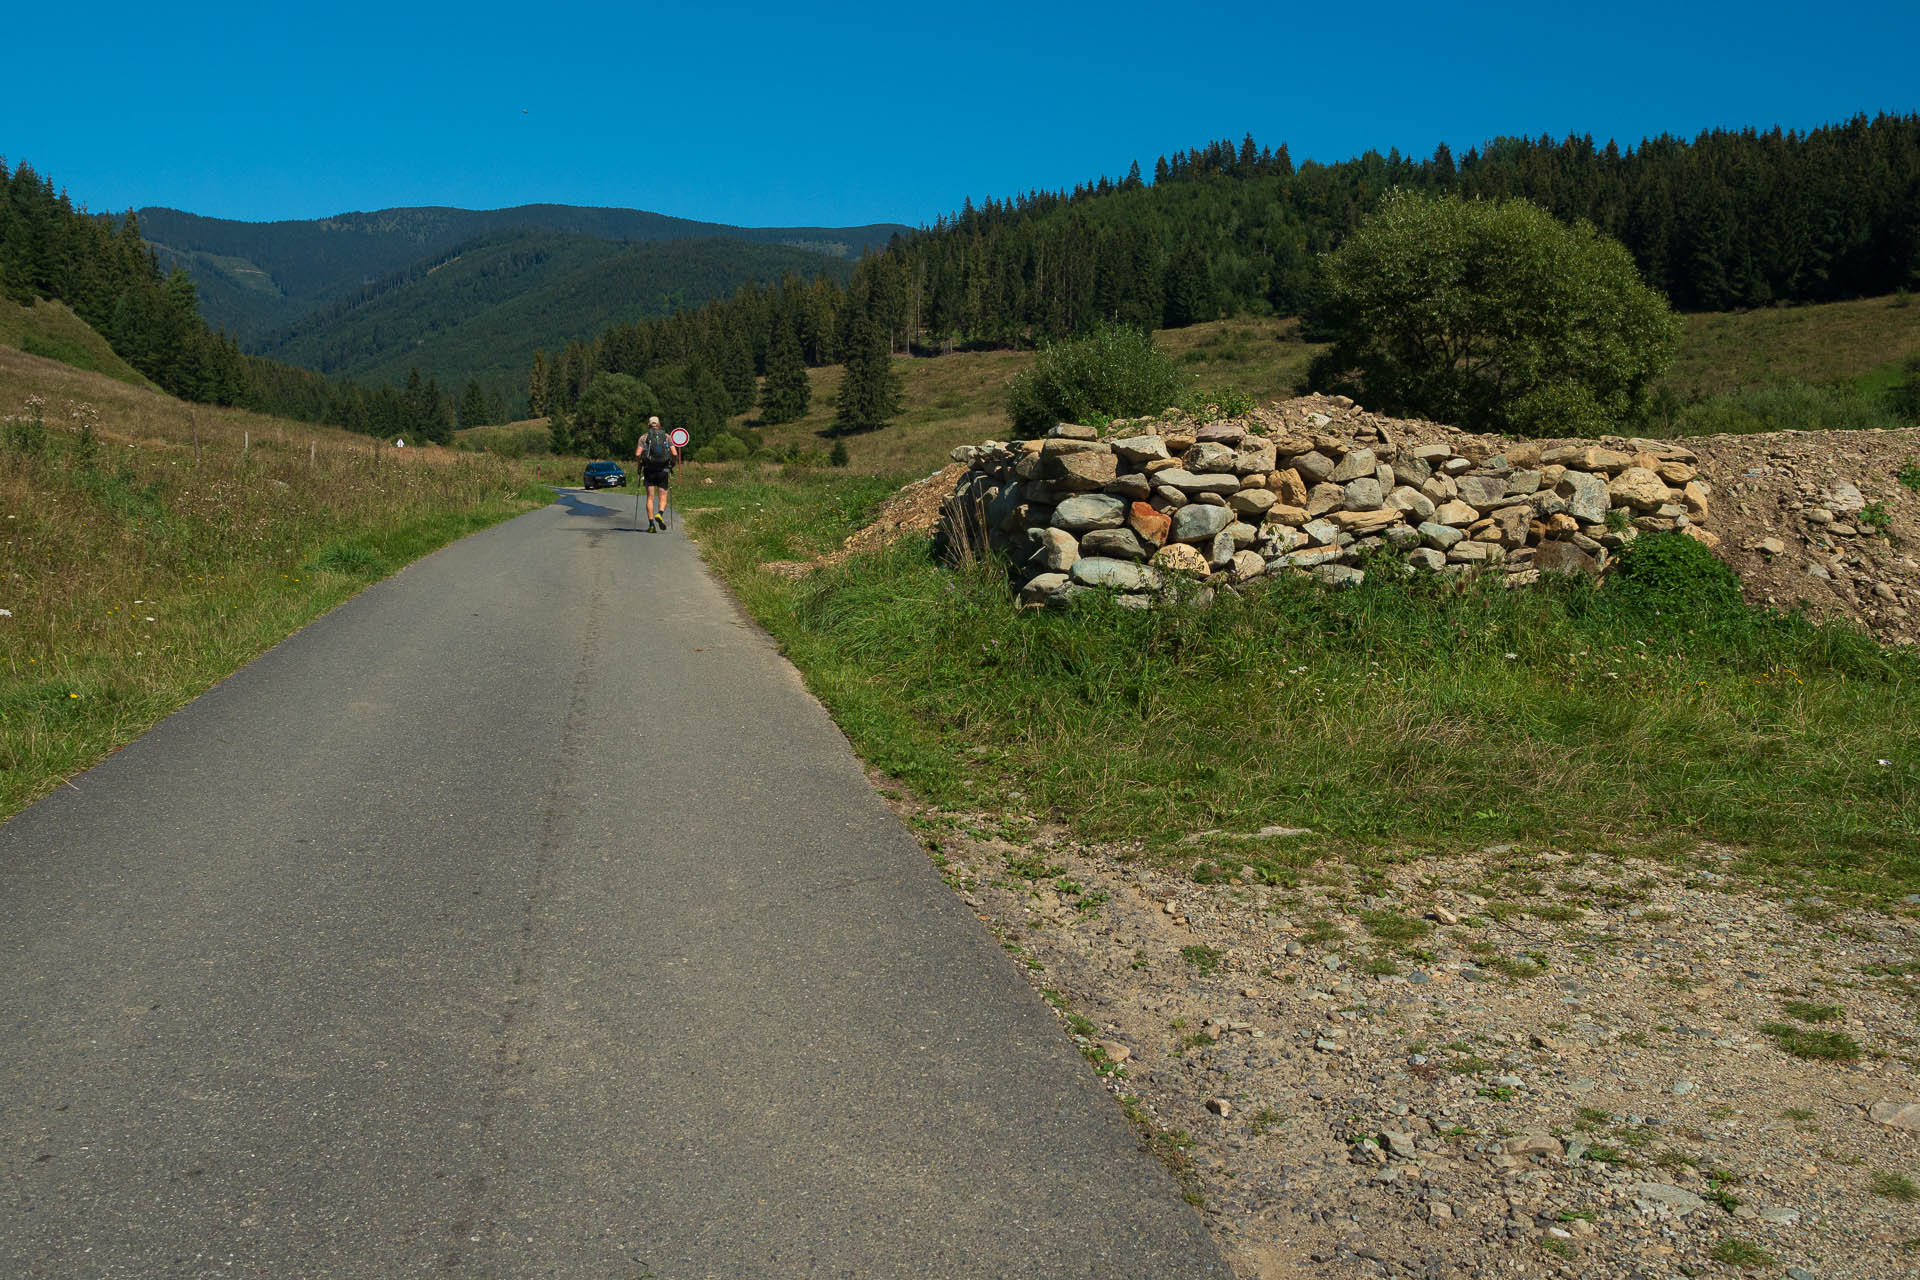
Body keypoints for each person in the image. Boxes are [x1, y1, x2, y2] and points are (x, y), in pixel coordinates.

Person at [635, 415, 680, 531]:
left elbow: (637, 454)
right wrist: (672, 465)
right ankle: (660, 513)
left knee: (650, 497)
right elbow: (675, 454)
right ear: (659, 425)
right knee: (663, 496)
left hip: (649, 469)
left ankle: (651, 525)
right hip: (663, 470)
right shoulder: (667, 437)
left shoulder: (643, 437)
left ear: (649, 425)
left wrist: (639, 467)